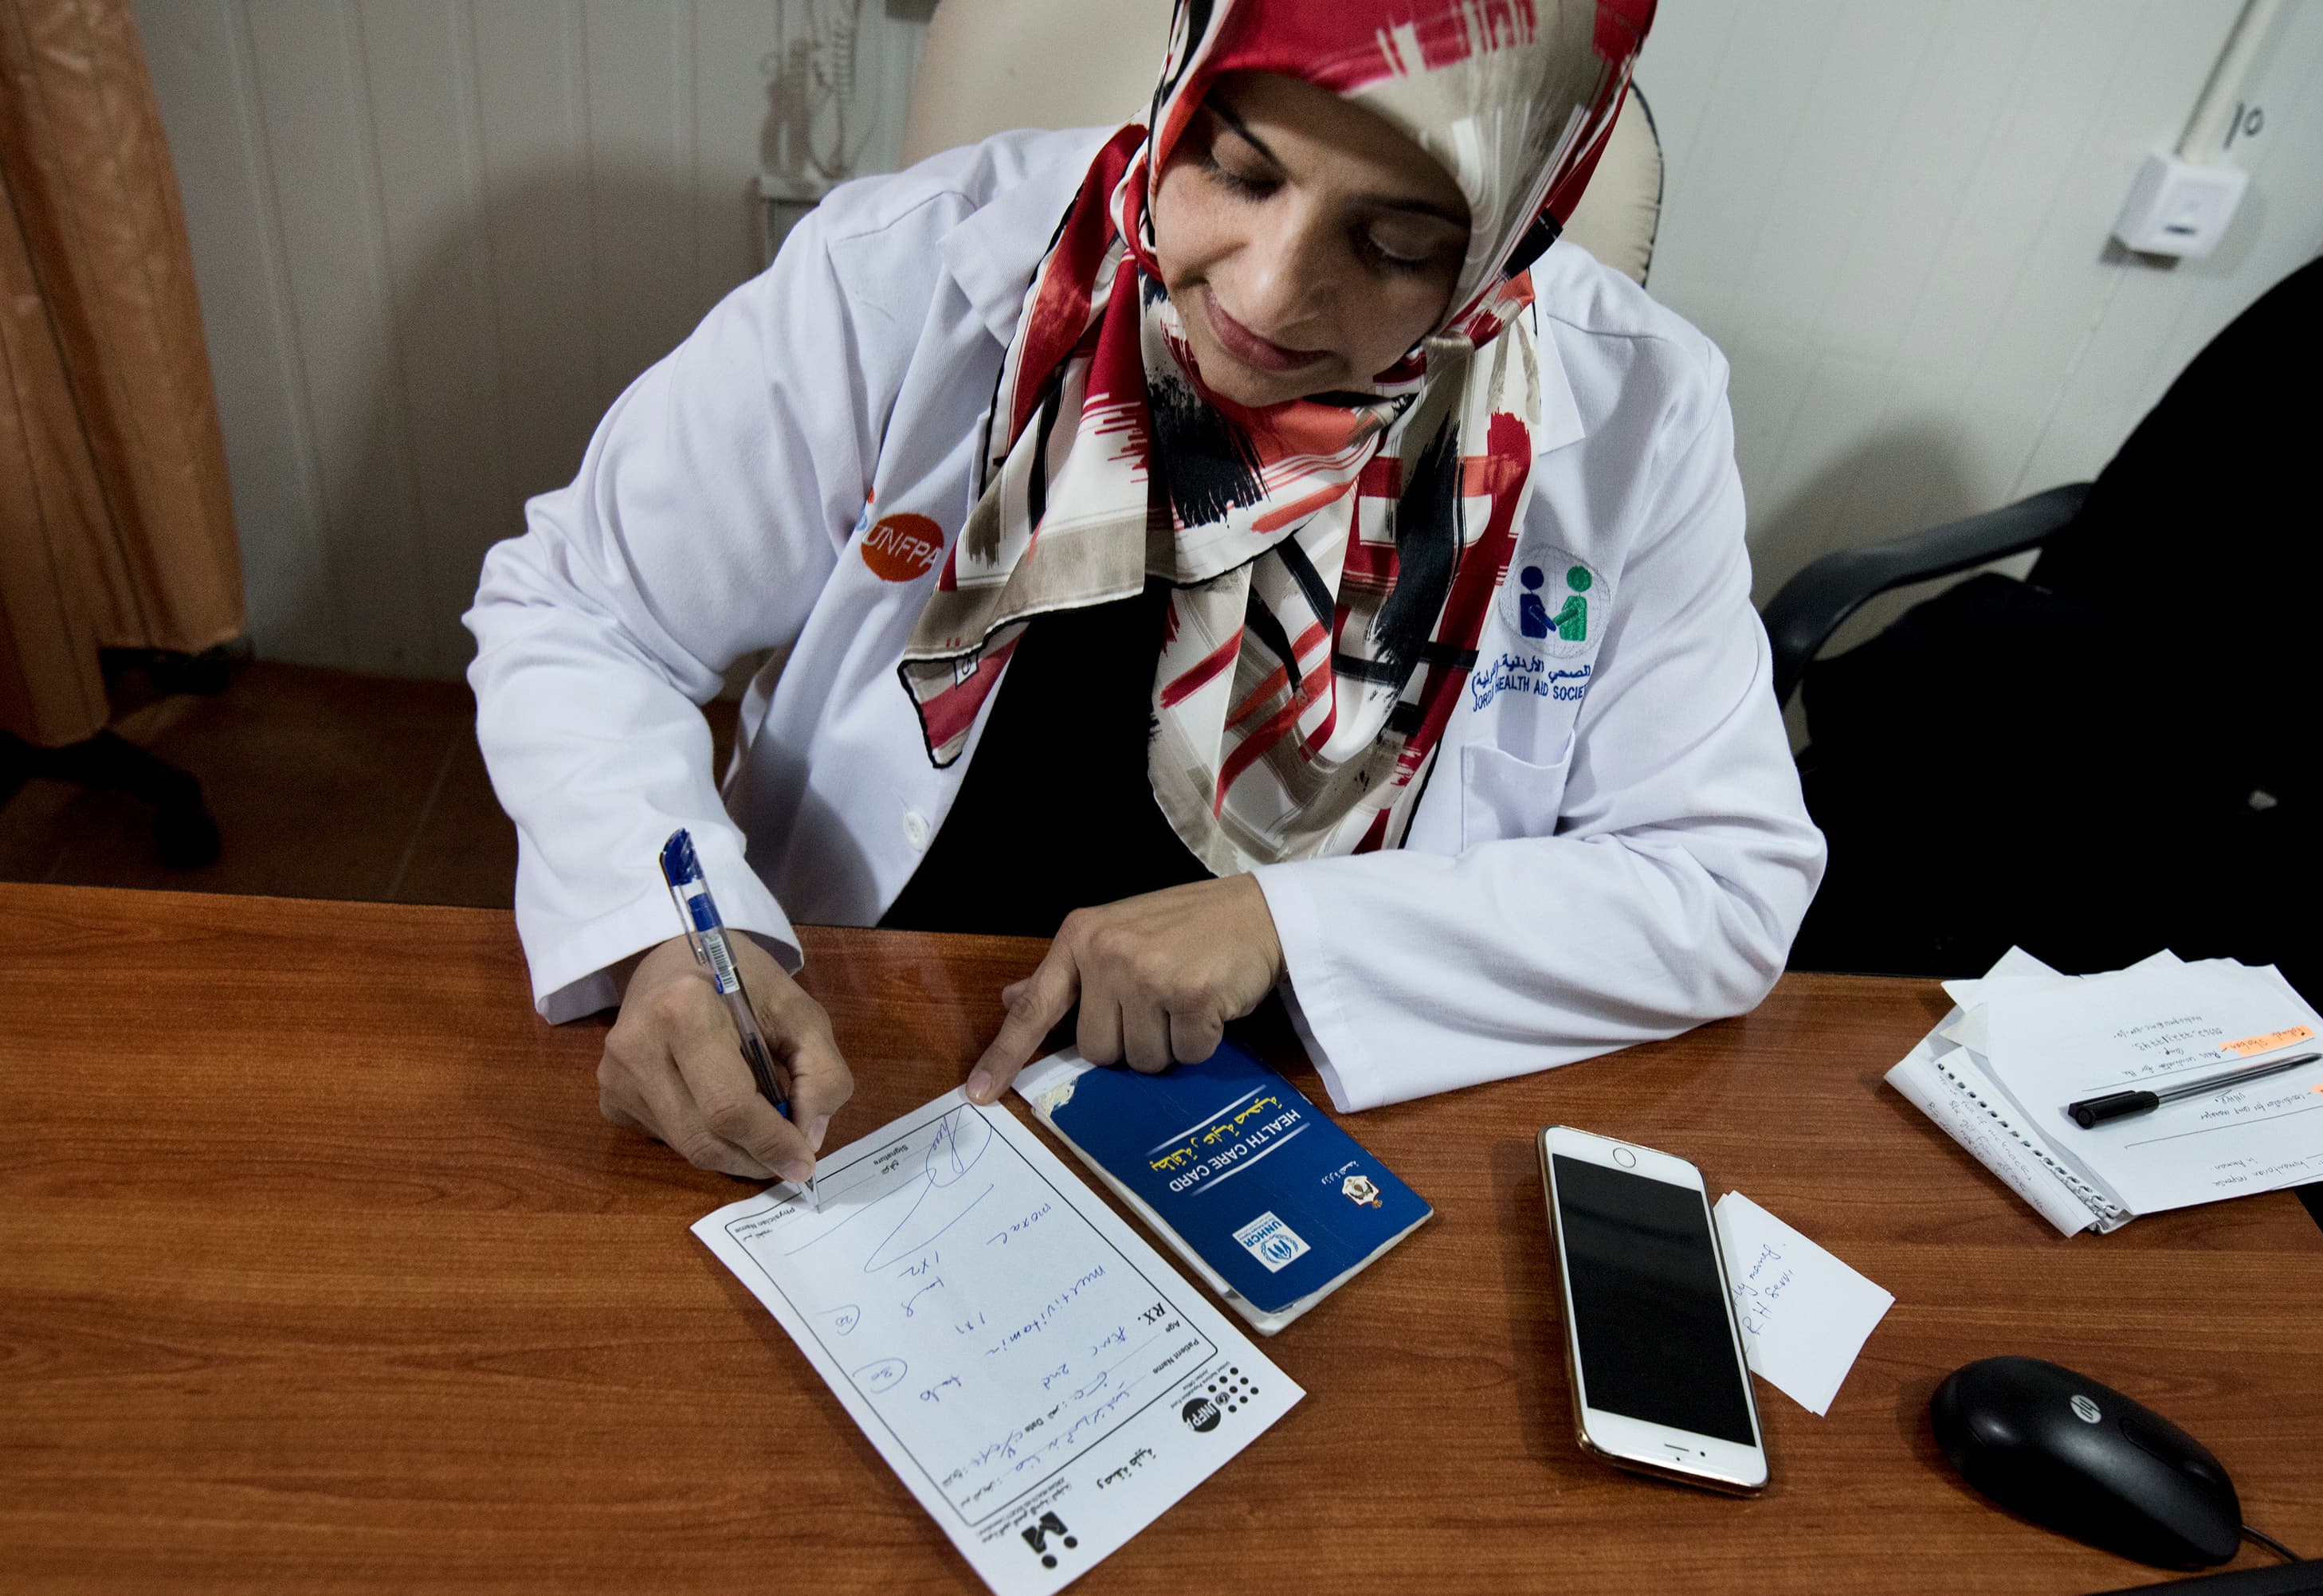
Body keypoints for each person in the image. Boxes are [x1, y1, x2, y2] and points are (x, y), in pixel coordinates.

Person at [465, 0, 1825, 1190]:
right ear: (1182, 76)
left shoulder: (1634, 409)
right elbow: (584, 612)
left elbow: (1721, 880)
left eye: (1400, 245)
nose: (1269, 290)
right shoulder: (905, 273)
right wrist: (664, 936)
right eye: (1238, 170)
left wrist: (1283, 926)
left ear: (1514, 228)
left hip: (1297, 1095)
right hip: (860, 1049)